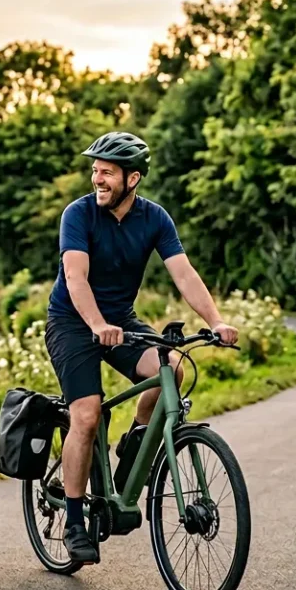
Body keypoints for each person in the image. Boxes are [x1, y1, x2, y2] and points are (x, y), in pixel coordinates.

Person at [45, 131, 239, 564]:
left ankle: (134, 441)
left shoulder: (155, 218)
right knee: (87, 414)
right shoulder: (78, 214)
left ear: (132, 179)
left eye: (107, 172)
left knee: (172, 368)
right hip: (72, 322)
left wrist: (216, 321)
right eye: (95, 170)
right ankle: (74, 522)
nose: (97, 179)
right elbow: (75, 277)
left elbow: (183, 273)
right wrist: (96, 324)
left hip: (121, 321)